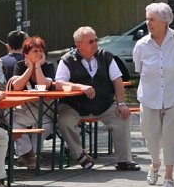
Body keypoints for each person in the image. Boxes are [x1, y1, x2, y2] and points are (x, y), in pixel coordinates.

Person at [55, 26, 140, 171]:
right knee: (63, 121)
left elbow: (117, 80)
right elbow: (59, 83)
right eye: (91, 41)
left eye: (96, 40)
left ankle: (124, 161)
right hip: (75, 106)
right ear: (78, 44)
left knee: (123, 115)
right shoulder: (67, 60)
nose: (95, 43)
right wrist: (81, 87)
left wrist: (121, 103)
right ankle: (79, 154)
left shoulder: (106, 56)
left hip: (104, 105)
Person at [133, 2, 174, 187]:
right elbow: (139, 70)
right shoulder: (141, 45)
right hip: (149, 96)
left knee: (172, 136)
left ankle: (169, 175)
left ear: (164, 22)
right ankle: (155, 163)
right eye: (147, 19)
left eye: (152, 19)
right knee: (150, 134)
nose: (148, 23)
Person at [10, 36, 56, 169]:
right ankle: (29, 154)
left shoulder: (48, 66)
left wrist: (37, 67)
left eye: (41, 50)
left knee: (46, 126)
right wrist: (30, 68)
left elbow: (43, 86)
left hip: (44, 108)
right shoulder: (20, 65)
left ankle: (28, 155)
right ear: (26, 54)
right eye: (35, 51)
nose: (39, 53)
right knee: (12, 123)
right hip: (25, 108)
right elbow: (17, 86)